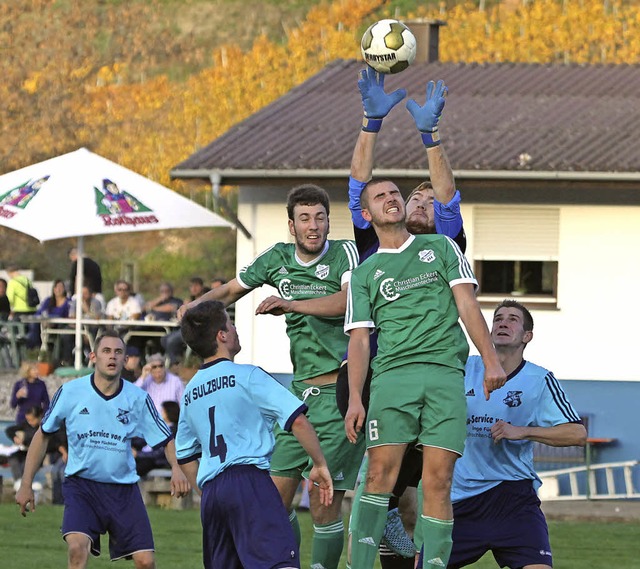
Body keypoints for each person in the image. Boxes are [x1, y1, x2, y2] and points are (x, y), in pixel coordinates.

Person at [179, 185, 361, 569]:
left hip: (338, 392)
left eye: (320, 218)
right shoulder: (276, 258)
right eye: (305, 219)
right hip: (299, 391)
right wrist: (194, 308)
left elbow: (348, 303)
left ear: (329, 221)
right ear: (292, 225)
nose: (314, 226)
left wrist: (290, 303)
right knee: (271, 500)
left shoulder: (345, 252)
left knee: (324, 503)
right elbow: (231, 289)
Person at [344, 177, 506, 569]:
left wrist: (490, 358)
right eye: (380, 196)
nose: (392, 199)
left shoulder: (442, 246)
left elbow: (467, 305)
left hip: (445, 374)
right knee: (379, 475)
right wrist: (353, 398)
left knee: (438, 481)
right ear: (366, 214)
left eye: (396, 193)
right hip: (392, 379)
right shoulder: (366, 272)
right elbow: (360, 340)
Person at [340, 69, 466, 568]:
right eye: (408, 196)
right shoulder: (375, 241)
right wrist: (370, 123)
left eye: (424, 199)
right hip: (377, 376)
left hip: (431, 378)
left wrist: (431, 138)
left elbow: (448, 193)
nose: (416, 201)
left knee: (417, 493)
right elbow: (357, 185)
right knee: (376, 482)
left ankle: (410, 554)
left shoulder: (445, 246)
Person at [415, 300, 587, 569]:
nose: (503, 323)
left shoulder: (539, 379)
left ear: (527, 336)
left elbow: (577, 434)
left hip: (513, 500)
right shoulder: (461, 368)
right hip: (458, 500)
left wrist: (524, 431)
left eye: (513, 319)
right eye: (498, 319)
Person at [176, 300, 334, 569]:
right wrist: (319, 464)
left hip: (213, 493)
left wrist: (208, 491)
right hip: (249, 482)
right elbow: (298, 422)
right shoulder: (247, 375)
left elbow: (185, 455)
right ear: (222, 335)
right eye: (231, 323)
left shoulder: (190, 392)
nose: (235, 328)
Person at [15, 329, 190, 569]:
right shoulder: (70, 392)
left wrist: (177, 469)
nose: (112, 357)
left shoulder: (138, 398)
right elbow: (42, 435)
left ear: (125, 359)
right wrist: (26, 484)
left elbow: (166, 439)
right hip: (82, 487)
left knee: (146, 562)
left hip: (124, 490)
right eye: (106, 351)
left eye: (118, 352)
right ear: (93, 357)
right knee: (77, 550)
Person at [160, 276, 209, 366]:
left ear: (201, 287)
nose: (193, 288)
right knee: (164, 339)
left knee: (171, 340)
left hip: (199, 330)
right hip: (187, 327)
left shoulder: (206, 299)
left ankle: (175, 364)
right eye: (191, 286)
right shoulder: (189, 301)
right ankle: (176, 360)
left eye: (196, 286)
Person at [28, 279, 73, 363]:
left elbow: (68, 316)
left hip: (61, 326)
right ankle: (34, 349)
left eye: (61, 287)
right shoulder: (48, 301)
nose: (58, 289)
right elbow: (39, 313)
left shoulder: (68, 302)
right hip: (46, 326)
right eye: (56, 287)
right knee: (34, 325)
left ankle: (64, 360)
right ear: (53, 289)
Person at [134, 400, 180, 477]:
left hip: (158, 461)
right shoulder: (161, 427)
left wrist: (138, 454)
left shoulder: (173, 430)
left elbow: (159, 454)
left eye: (162, 411)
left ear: (168, 412)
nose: (159, 413)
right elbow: (143, 439)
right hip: (150, 458)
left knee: (136, 468)